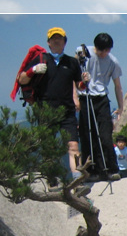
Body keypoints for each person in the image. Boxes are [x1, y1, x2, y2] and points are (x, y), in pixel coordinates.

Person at [18, 27, 87, 181]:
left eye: (60, 38)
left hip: (67, 110)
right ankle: (51, 178)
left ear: (65, 41)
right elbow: (21, 79)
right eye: (54, 38)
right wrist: (32, 70)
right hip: (46, 110)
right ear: (48, 42)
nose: (57, 40)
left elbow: (79, 85)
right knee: (48, 146)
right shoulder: (41, 59)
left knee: (73, 146)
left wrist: (84, 82)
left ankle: (77, 178)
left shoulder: (72, 62)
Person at [77, 33, 124, 182]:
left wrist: (121, 108)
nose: (103, 53)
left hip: (101, 98)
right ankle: (91, 171)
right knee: (87, 135)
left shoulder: (113, 61)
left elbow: (118, 86)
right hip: (85, 97)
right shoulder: (84, 53)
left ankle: (110, 168)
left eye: (106, 50)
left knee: (105, 135)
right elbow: (74, 73)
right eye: (100, 50)